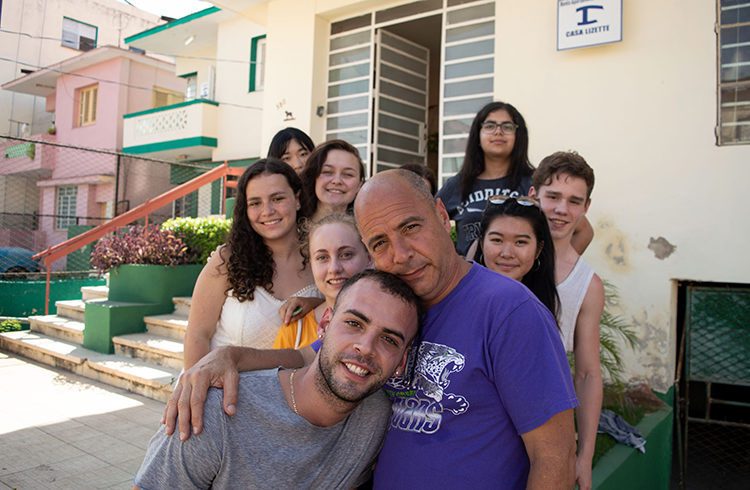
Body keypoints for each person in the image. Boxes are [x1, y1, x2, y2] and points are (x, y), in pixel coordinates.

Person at [164, 170, 578, 489]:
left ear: (440, 215)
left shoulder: (509, 311)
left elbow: (555, 458)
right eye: (379, 243)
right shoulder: (394, 308)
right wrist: (230, 356)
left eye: (411, 228)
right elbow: (309, 355)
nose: (400, 254)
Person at [134, 270, 421, 489]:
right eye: (354, 324)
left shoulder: (377, 417)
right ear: (324, 325)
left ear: (402, 361)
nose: (366, 347)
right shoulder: (214, 412)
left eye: (389, 340)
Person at [182, 159, 320, 370]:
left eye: (277, 198)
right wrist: (198, 392)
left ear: (297, 199)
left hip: (293, 397)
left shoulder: (321, 259)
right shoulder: (228, 260)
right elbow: (197, 335)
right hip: (224, 395)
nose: (267, 211)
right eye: (255, 203)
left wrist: (314, 303)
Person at [530, 151, 605, 490]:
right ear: (533, 196)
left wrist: (584, 457)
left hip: (545, 428)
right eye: (553, 197)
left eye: (574, 201)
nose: (562, 209)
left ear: (586, 208)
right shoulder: (497, 258)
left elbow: (588, 373)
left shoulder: (587, 285)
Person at [436, 101, 593, 257]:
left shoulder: (535, 182)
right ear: (478, 134)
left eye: (507, 127)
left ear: (519, 135)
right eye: (490, 126)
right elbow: (426, 225)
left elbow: (584, 232)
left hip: (520, 280)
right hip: (471, 279)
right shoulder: (457, 185)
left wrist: (552, 272)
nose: (498, 132)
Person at [273, 214, 372, 349]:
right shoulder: (295, 331)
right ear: (311, 264)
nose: (334, 268)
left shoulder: (389, 318)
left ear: (369, 257)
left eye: (346, 255)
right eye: (322, 257)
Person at [471, 195, 558, 319]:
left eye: (520, 242)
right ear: (481, 243)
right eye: (497, 240)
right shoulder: (459, 299)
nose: (507, 253)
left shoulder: (541, 311)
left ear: (538, 250)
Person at [300, 139, 365, 222]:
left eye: (348, 174)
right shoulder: (291, 230)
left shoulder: (369, 232)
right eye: (327, 172)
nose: (337, 181)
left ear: (360, 185)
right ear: (313, 177)